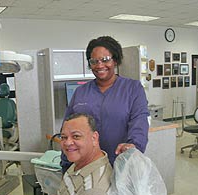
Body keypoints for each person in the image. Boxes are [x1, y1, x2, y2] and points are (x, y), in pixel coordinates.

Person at [62, 36, 149, 172]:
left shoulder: (132, 89)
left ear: (115, 60)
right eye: (94, 61)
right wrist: (65, 165)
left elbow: (140, 120)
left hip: (120, 163)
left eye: (105, 60)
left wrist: (134, 145)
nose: (100, 65)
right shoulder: (81, 92)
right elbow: (67, 129)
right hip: (86, 166)